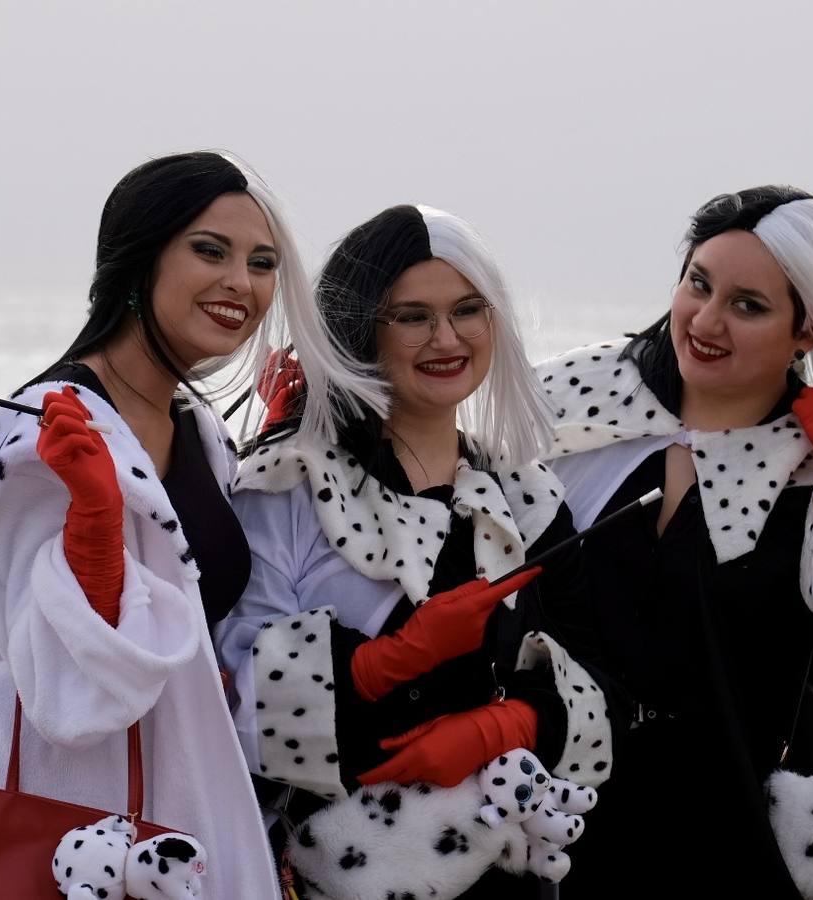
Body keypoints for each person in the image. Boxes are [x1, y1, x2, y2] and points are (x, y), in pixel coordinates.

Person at [0, 151, 375, 897]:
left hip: (165, 829)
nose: (240, 283)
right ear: (139, 258)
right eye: (209, 251)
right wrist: (92, 528)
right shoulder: (39, 438)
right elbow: (67, 698)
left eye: (262, 262)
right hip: (60, 830)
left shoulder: (200, 435)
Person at [535, 186, 813, 896]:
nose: (706, 319)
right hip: (571, 830)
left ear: (808, 332)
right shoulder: (572, 395)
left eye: (748, 305)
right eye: (698, 284)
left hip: (755, 842)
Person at [214, 205, 613, 899]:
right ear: (361, 326)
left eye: (467, 310)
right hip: (326, 878)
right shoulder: (288, 483)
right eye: (412, 316)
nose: (446, 338)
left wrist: (516, 721)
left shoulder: (526, 495)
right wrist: (380, 666)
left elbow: (603, 675)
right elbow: (229, 703)